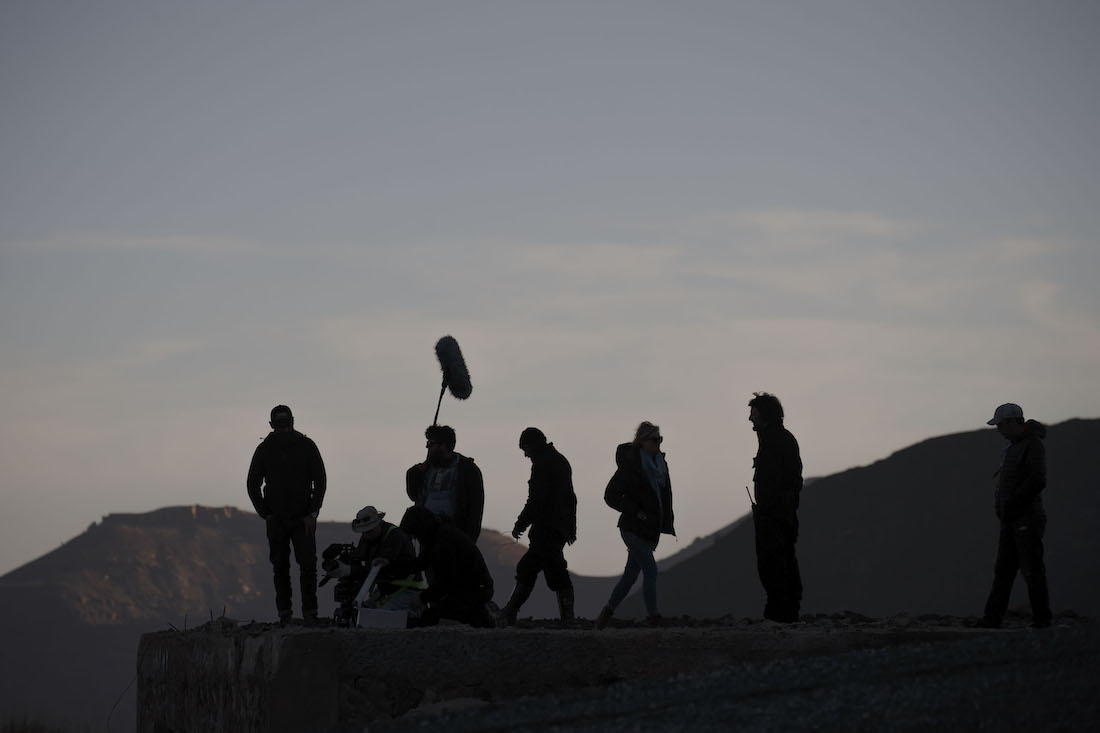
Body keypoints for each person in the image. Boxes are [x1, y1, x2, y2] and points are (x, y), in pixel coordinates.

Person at [246, 405, 327, 623]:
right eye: (279, 425)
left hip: (303, 519)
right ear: (272, 425)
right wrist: (266, 514)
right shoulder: (264, 450)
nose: (283, 429)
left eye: (286, 425)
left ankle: (310, 614)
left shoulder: (307, 446)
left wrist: (312, 512)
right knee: (280, 567)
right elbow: (252, 484)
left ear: (292, 422)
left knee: (308, 565)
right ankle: (285, 614)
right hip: (277, 520)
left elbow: (320, 480)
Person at [595, 421, 675, 630]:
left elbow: (662, 498)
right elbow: (610, 495)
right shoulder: (631, 466)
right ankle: (653, 616)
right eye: (655, 439)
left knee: (630, 576)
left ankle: (606, 614)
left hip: (649, 530)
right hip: (632, 528)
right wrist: (636, 511)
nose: (659, 443)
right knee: (651, 570)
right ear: (642, 441)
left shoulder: (660, 465)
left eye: (660, 439)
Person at [979, 403, 1052, 629]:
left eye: (1001, 424)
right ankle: (992, 620)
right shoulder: (1012, 447)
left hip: (1026, 519)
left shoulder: (1032, 445)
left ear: (1012, 422)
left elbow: (1038, 479)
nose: (999, 429)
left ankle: (1042, 620)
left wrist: (1013, 502)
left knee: (1032, 570)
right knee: (1003, 571)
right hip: (1011, 520)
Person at [500, 428, 578, 625]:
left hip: (546, 529)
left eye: (525, 449)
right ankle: (567, 619)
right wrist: (570, 527)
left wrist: (520, 524)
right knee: (546, 569)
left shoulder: (543, 465)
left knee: (538, 569)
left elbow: (536, 500)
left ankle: (510, 612)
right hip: (558, 528)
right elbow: (571, 498)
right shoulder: (560, 461)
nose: (525, 454)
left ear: (533, 446)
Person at [748, 392, 804, 623]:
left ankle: (779, 614)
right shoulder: (782, 439)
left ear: (763, 415)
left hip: (774, 515)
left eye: (753, 414)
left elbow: (779, 481)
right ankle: (786, 612)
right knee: (783, 561)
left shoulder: (773, 441)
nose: (750, 419)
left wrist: (769, 510)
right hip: (783, 513)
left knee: (774, 564)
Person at [398, 506, 497, 627]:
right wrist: (391, 566)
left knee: (431, 618)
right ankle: (480, 616)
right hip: (471, 588)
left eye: (414, 534)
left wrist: (422, 598)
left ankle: (483, 617)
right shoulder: (437, 535)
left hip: (475, 590)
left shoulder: (443, 541)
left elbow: (445, 582)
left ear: (419, 529)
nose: (414, 538)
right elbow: (420, 563)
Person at [325, 506, 425, 612]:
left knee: (379, 618)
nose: (366, 535)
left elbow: (378, 569)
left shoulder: (394, 536)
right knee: (363, 614)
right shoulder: (368, 536)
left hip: (408, 590)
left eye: (369, 530)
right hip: (386, 591)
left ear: (379, 524)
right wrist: (341, 562)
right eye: (363, 531)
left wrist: (348, 570)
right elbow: (359, 556)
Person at [406, 425, 485, 542]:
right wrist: (415, 473)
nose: (427, 447)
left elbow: (475, 508)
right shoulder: (425, 469)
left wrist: (469, 539)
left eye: (430, 444)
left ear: (442, 445)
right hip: (426, 533)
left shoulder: (468, 470)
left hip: (455, 534)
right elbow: (413, 495)